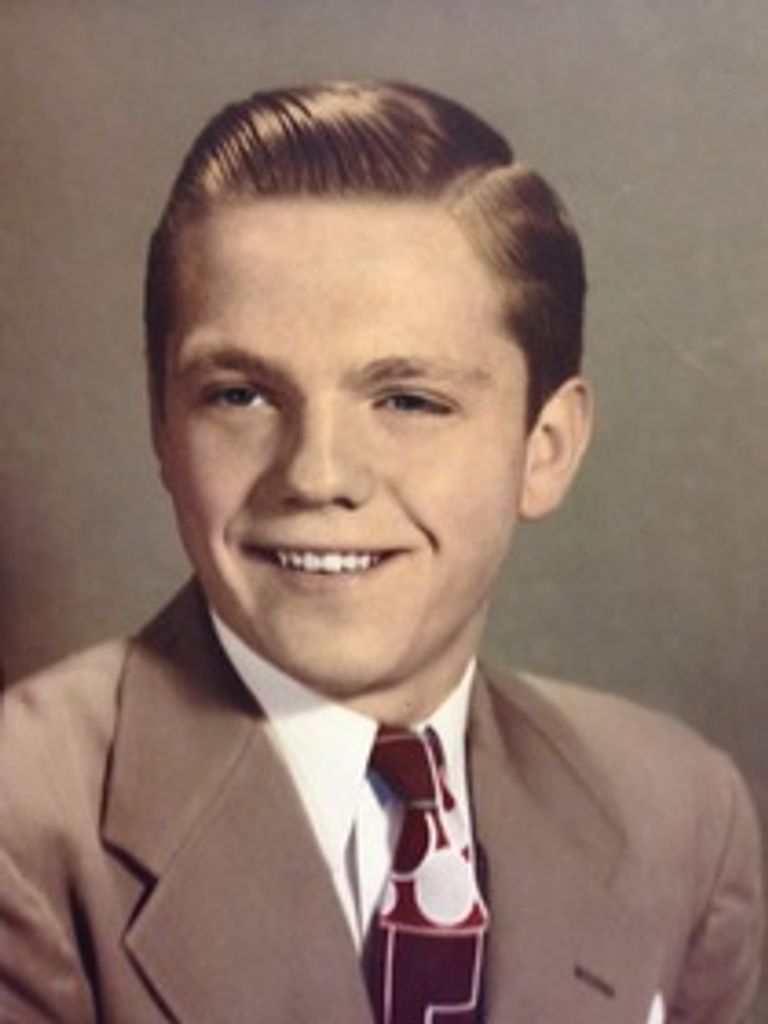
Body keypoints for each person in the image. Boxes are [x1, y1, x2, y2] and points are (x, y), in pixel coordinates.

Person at [0, 81, 762, 1024]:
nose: (316, 475)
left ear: (546, 449)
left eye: (409, 401)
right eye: (239, 395)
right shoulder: (27, 824)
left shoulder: (680, 814)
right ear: (162, 422)